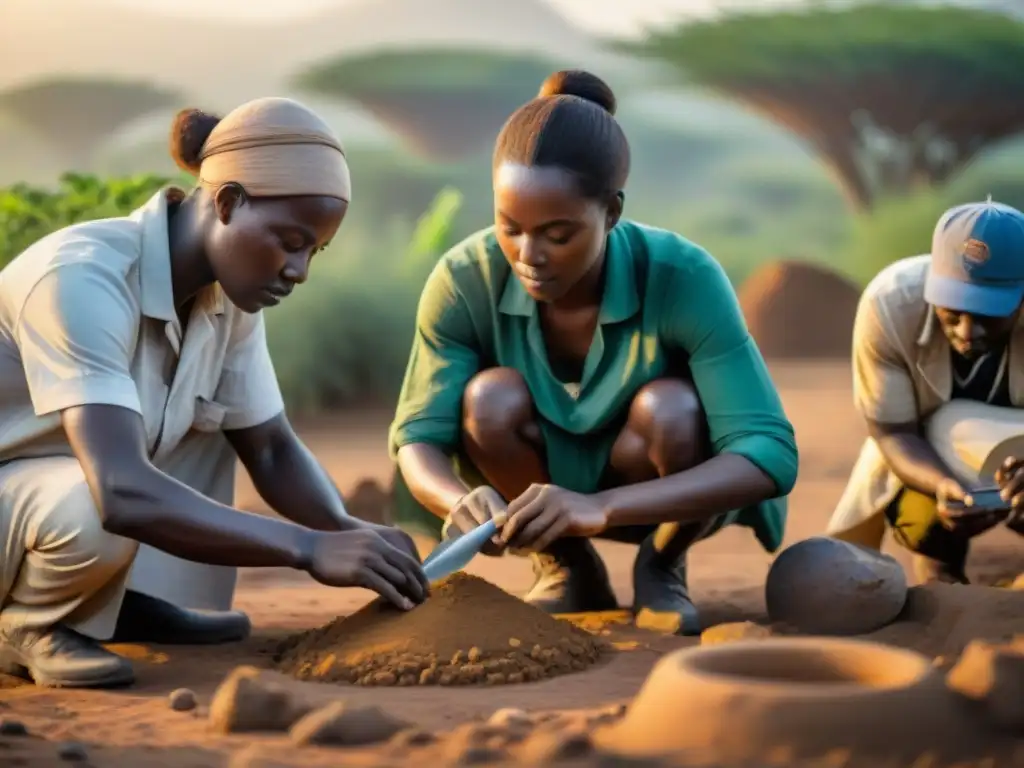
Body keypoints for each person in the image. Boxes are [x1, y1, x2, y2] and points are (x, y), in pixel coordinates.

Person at [0, 97, 429, 689]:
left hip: (36, 498)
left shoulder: (227, 296)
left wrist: (343, 529)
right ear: (227, 202)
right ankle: (29, 624)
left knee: (214, 424)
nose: (299, 270)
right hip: (20, 501)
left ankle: (118, 603)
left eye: (314, 250)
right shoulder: (81, 278)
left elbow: (271, 447)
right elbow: (122, 492)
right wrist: (306, 548)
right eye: (289, 239)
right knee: (100, 499)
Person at [388, 70, 799, 636]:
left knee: (671, 408)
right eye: (510, 227)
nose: (528, 254)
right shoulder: (465, 278)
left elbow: (768, 453)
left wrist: (601, 508)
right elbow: (417, 440)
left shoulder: (684, 276)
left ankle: (662, 565)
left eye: (558, 235)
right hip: (536, 499)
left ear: (611, 213)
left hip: (657, 489)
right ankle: (566, 567)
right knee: (489, 399)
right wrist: (457, 499)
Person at [828, 198, 1024, 584]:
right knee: (921, 519)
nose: (968, 332)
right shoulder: (890, 304)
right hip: (930, 448)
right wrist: (941, 485)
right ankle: (941, 570)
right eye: (953, 309)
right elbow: (893, 431)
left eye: (989, 313)